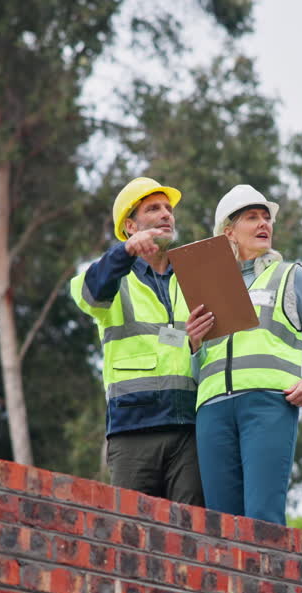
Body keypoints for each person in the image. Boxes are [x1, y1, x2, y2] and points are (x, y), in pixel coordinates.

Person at [185, 184, 302, 524]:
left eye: (266, 218)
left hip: (268, 407)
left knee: (262, 520)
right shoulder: (205, 288)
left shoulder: (291, 277)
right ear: (229, 231)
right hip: (212, 412)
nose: (264, 224)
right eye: (252, 217)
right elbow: (198, 372)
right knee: (219, 526)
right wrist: (194, 345)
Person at [70, 177, 203, 506]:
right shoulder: (114, 278)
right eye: (153, 208)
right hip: (133, 432)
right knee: (133, 538)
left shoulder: (193, 278)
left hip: (189, 429)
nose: (166, 215)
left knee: (191, 537)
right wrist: (125, 252)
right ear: (130, 225)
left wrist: (198, 346)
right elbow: (88, 292)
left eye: (169, 209)